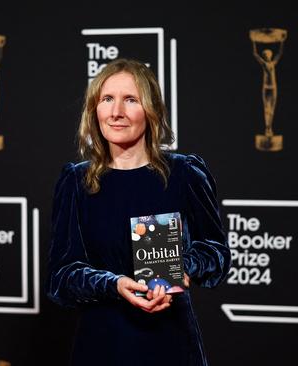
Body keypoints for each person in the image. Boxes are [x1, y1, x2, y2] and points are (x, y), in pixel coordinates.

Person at [46, 58, 231, 366]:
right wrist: (112, 283)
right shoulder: (76, 181)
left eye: (130, 100)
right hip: (102, 342)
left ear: (151, 109)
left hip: (169, 341)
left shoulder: (184, 173)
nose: (116, 112)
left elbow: (216, 254)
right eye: (107, 99)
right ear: (94, 109)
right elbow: (60, 277)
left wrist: (182, 268)